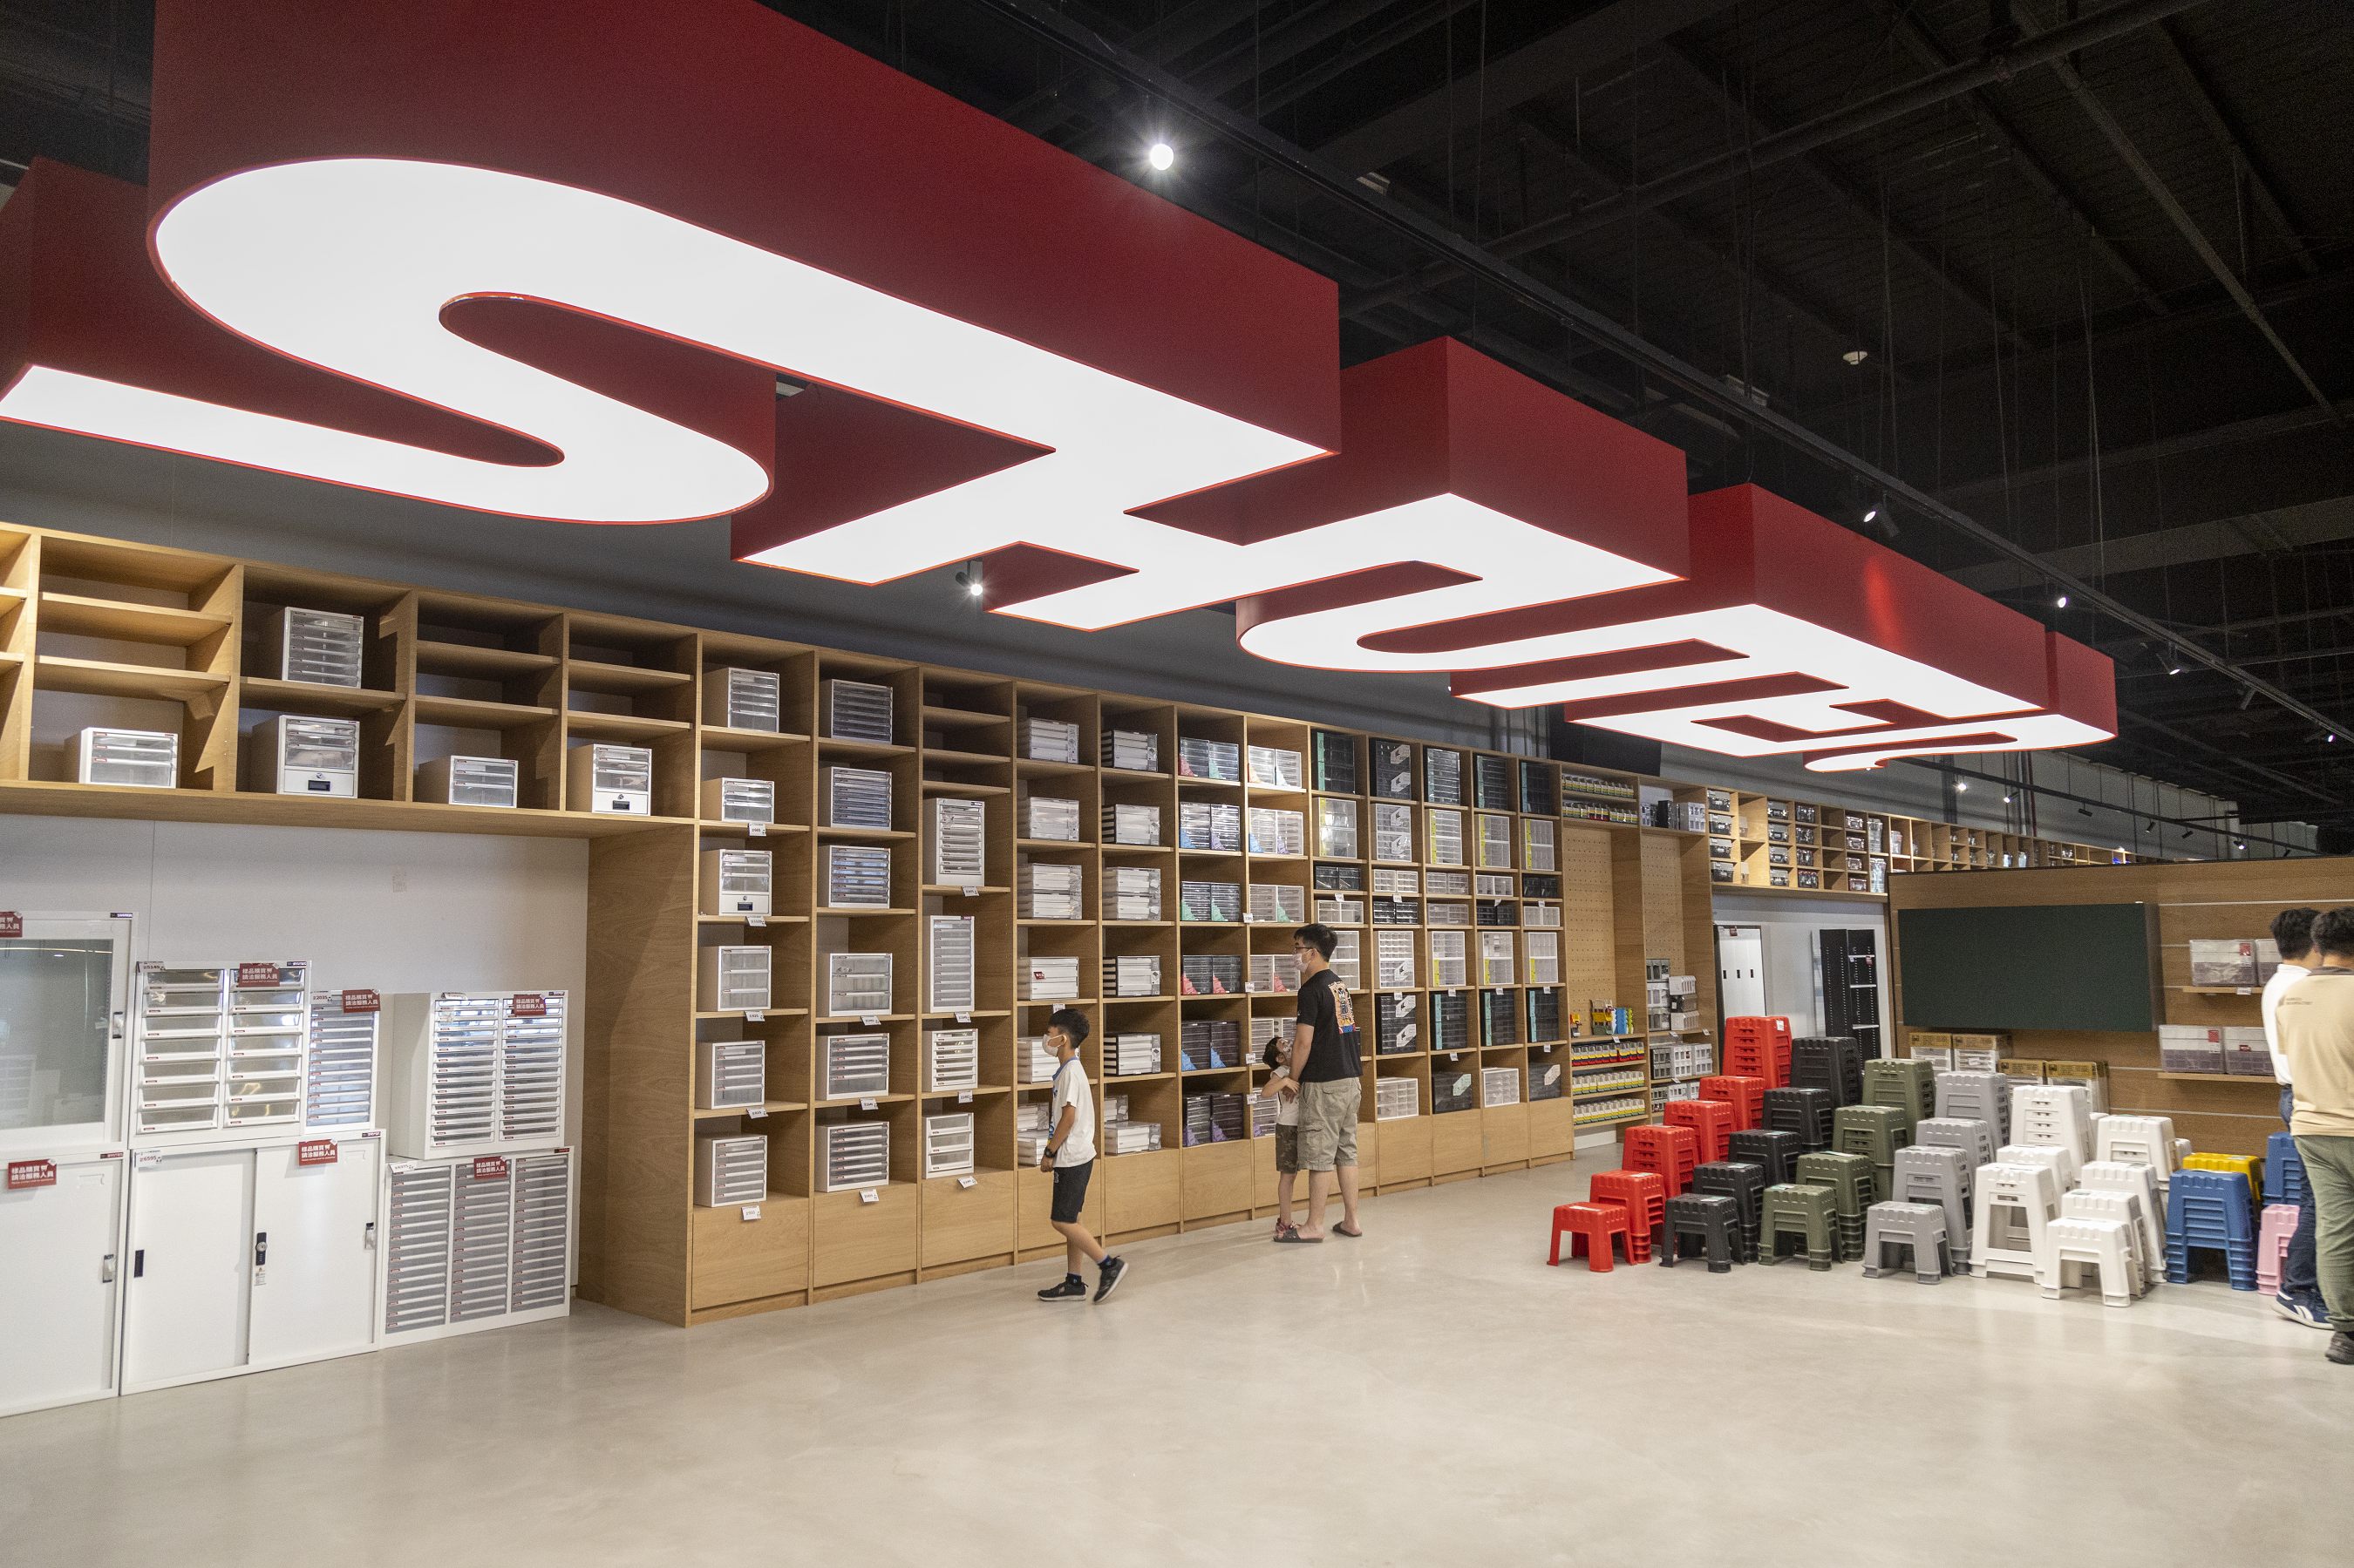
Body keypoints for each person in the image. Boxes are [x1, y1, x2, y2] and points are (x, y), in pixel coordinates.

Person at [2275, 906, 2354, 1367]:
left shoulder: (2293, 997)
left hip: (2312, 1128)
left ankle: (2346, 1334)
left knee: (2336, 1230)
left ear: (2320, 945)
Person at [1275, 922, 1363, 1243]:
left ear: (1312, 953)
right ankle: (1351, 1220)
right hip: (1350, 1079)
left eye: (1297, 948)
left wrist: (1292, 1079)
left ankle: (1314, 1225)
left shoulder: (1310, 990)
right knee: (1346, 1152)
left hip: (1324, 1083)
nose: (1294, 954)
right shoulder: (1339, 985)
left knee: (1320, 1156)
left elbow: (1303, 1043)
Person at [1033, 1008, 1127, 1303]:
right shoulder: (1068, 1070)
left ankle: (1109, 1265)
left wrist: (1050, 1151)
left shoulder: (1071, 1072)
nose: (1045, 1039)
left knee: (1061, 1221)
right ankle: (1074, 1281)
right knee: (1072, 1218)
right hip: (1078, 1155)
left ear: (1062, 1039)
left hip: (1072, 1157)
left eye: (1049, 1034)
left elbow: (1068, 1117)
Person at [2263, 907, 2328, 1328]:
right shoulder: (2304, 988)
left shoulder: (2278, 983)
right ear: (2316, 943)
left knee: (2319, 1199)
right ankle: (2299, 1289)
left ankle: (2308, 1286)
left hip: (2297, 1097)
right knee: (2322, 1201)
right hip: (2310, 1098)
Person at [1262, 1031, 1303, 1239]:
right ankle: (1285, 1223)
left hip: (1299, 1126)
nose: (1288, 1043)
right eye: (1283, 1044)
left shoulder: (1296, 1066)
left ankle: (1285, 1219)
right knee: (1287, 1176)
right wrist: (1285, 1082)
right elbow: (1265, 1092)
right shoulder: (1281, 1072)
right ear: (1279, 1057)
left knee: (1292, 1175)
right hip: (1288, 1128)